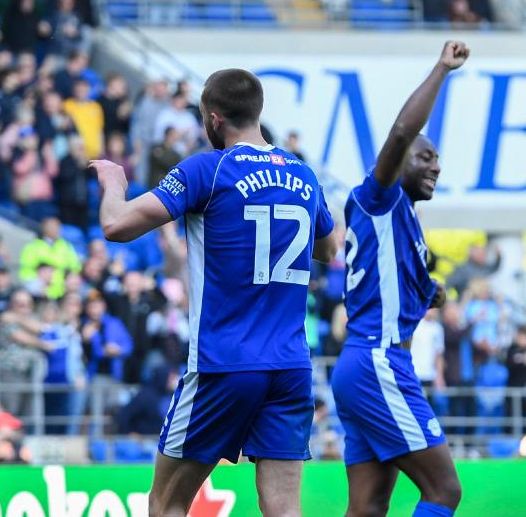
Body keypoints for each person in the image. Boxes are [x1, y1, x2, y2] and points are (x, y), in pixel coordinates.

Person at [91, 67, 338, 516]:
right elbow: (329, 246)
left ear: (214, 119)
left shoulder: (208, 168)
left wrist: (113, 184)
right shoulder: (303, 174)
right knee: (284, 509)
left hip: (224, 362)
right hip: (290, 365)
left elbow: (116, 225)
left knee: (166, 504)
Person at [331, 41, 468, 517]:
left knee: (367, 509)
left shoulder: (403, 220)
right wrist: (442, 69)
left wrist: (433, 292)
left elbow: (397, 286)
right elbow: (402, 131)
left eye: (436, 159)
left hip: (362, 364)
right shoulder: (379, 197)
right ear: (397, 160)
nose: (436, 165)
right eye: (425, 156)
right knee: (444, 491)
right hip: (379, 362)